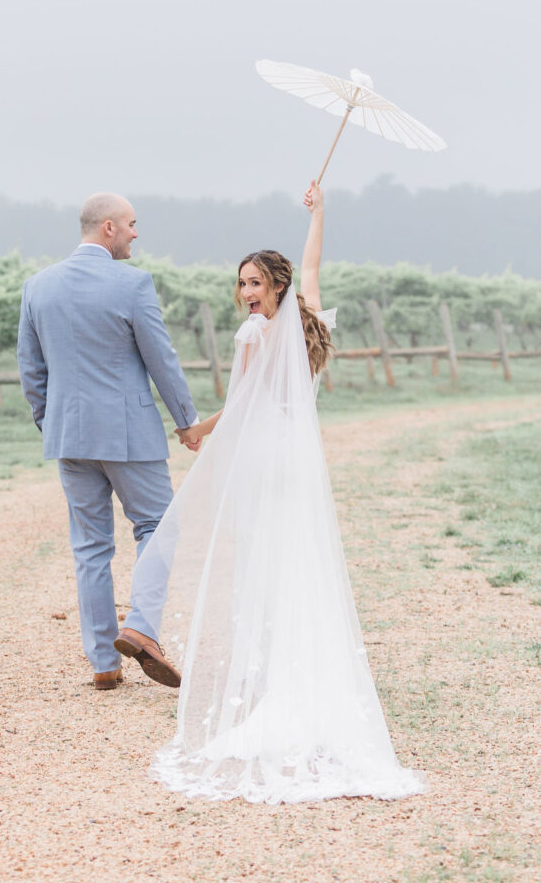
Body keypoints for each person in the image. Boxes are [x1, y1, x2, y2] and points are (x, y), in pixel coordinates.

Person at [128, 182, 426, 802]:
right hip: (298, 458)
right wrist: (319, 214)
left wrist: (199, 432)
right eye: (242, 284)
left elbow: (242, 405)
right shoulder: (306, 320)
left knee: (268, 567)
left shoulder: (255, 335)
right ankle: (308, 685)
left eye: (255, 283)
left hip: (267, 459)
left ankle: (283, 692)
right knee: (299, 565)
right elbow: (312, 265)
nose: (247, 293)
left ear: (276, 287)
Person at [17, 192, 199, 691]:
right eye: (132, 224)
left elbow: (31, 369)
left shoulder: (37, 286)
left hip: (68, 437)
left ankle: (103, 661)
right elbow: (161, 358)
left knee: (90, 547)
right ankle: (140, 627)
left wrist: (52, 422)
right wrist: (186, 421)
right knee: (159, 527)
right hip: (129, 434)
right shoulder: (132, 283)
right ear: (109, 228)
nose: (137, 232)